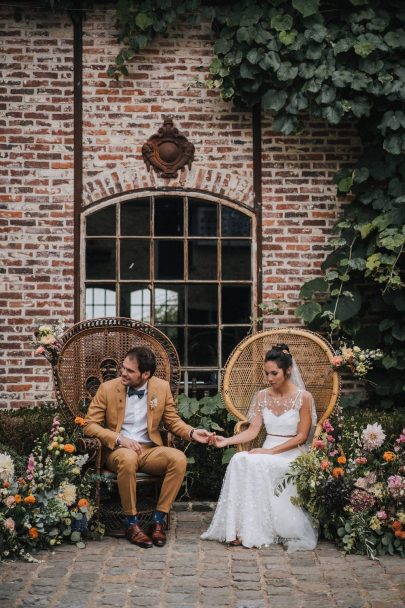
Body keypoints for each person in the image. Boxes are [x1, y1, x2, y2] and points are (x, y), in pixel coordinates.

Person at [84, 346, 213, 548]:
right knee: (127, 458)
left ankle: (158, 521)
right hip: (118, 451)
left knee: (178, 458)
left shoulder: (161, 388)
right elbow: (89, 425)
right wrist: (119, 439)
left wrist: (192, 432)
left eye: (130, 371)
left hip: (149, 450)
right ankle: (131, 523)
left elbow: (172, 421)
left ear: (145, 374)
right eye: (123, 368)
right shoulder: (108, 388)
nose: (123, 373)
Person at [201, 344, 318, 551]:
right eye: (266, 373)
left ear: (288, 370)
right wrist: (226, 440)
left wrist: (270, 451)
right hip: (266, 450)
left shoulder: (304, 397)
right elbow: (253, 431)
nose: (269, 378)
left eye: (274, 373)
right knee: (239, 459)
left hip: (291, 453)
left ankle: (250, 532)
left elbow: (301, 437)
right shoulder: (261, 396)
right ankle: (235, 529)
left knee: (257, 462)